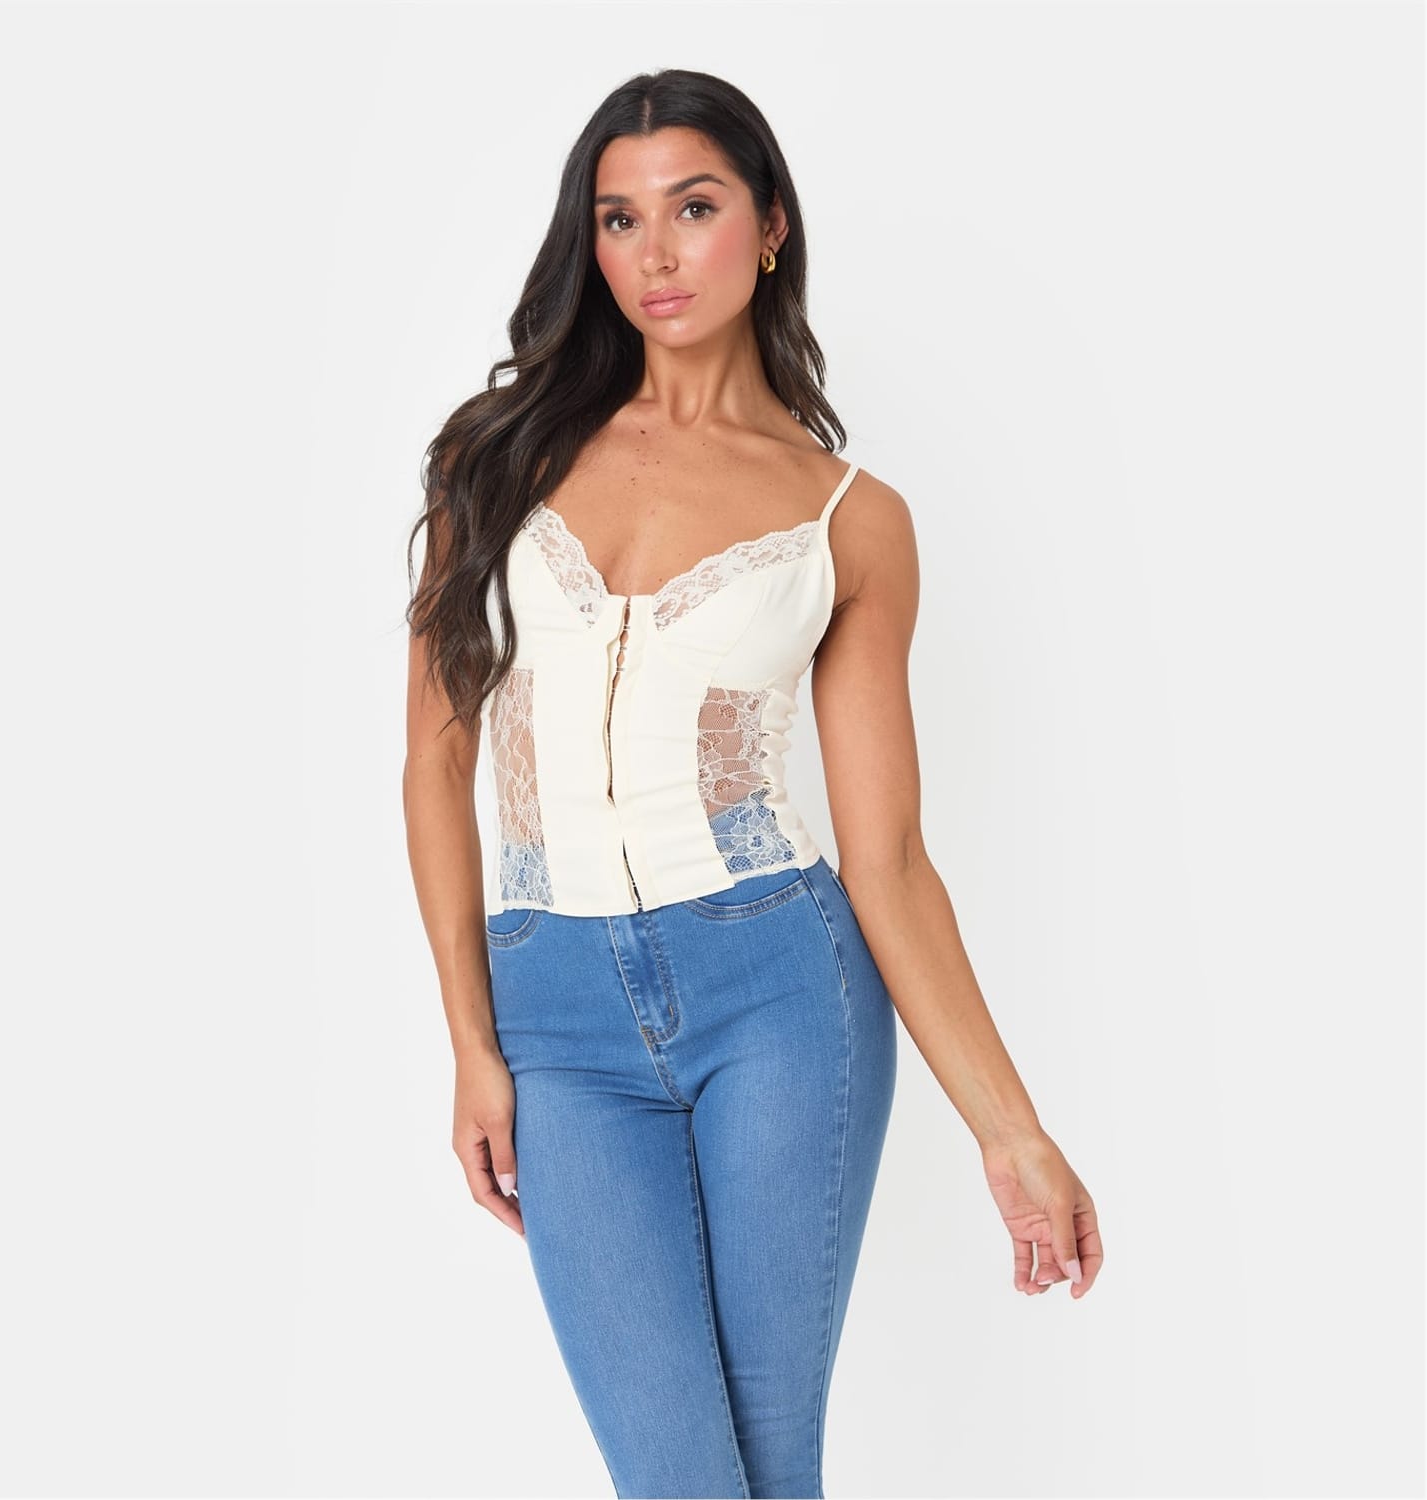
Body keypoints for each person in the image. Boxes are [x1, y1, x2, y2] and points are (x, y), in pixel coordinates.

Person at [402, 67, 1104, 1500]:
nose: (653, 255)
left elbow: (887, 859)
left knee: (772, 1471)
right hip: (556, 1018)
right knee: (680, 1474)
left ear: (770, 225)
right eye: (618, 218)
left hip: (782, 997)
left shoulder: (850, 519)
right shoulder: (494, 461)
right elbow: (435, 758)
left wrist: (1012, 1132)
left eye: (695, 207)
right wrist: (473, 1041)